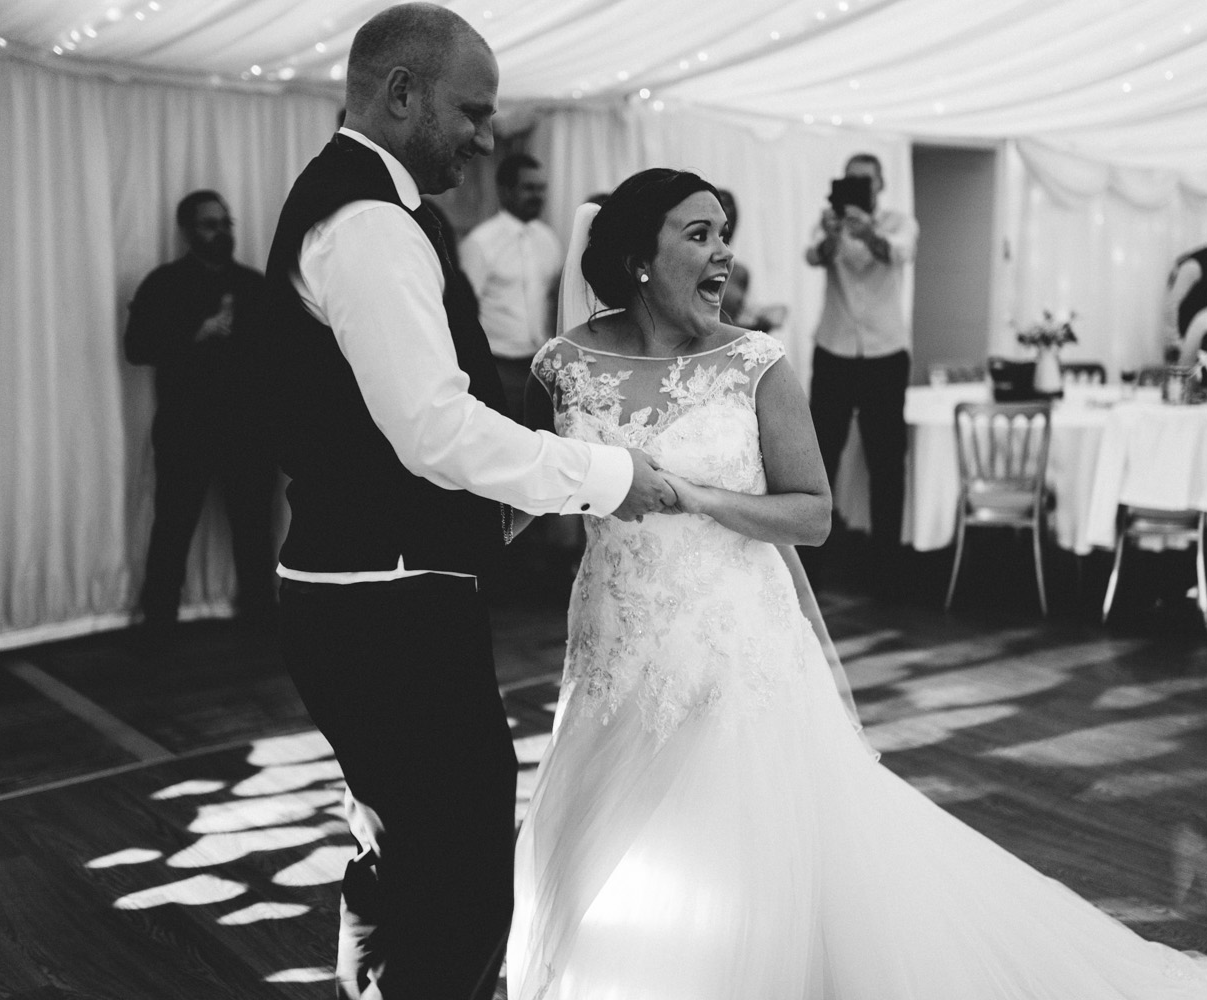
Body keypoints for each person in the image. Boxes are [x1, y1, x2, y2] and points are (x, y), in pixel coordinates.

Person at [506, 167, 1207, 1000]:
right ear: (635, 254)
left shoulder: (755, 363)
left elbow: (812, 513)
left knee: (737, 848)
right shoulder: (567, 363)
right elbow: (542, 484)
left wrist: (686, 494)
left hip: (730, 641)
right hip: (616, 637)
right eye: (698, 234)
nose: (724, 253)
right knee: (603, 838)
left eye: (724, 233)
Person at [261, 6, 674, 998]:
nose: (488, 137)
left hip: (373, 585)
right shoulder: (366, 223)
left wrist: (519, 496)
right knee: (464, 870)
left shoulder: (380, 208)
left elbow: (396, 432)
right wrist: (604, 479)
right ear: (400, 93)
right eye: (473, 111)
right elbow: (434, 433)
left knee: (404, 840)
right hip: (380, 603)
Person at [124, 190, 276, 634]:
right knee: (173, 528)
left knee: (253, 531)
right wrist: (196, 332)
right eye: (211, 224)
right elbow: (136, 348)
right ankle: (158, 625)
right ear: (188, 231)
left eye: (227, 222)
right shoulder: (164, 283)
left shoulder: (253, 285)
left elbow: (276, 353)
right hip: (186, 427)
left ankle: (262, 622)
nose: (223, 231)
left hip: (248, 429)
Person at [804, 152, 918, 590]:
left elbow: (896, 253)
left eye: (865, 181)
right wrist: (834, 232)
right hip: (834, 350)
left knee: (887, 461)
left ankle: (887, 571)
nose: (857, 188)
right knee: (820, 458)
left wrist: (865, 229)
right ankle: (813, 566)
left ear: (881, 184)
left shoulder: (898, 222)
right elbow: (814, 256)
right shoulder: (827, 221)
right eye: (850, 180)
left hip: (886, 354)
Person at [460, 151, 564, 423]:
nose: (537, 196)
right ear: (505, 191)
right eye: (529, 188)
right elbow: (463, 313)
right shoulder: (480, 243)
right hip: (498, 364)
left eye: (541, 188)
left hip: (541, 364)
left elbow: (554, 299)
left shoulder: (548, 239)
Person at [715, 188, 788, 332]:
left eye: (732, 213)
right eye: (723, 209)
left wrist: (761, 320)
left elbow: (739, 315)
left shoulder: (740, 272)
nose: (728, 216)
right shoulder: (695, 267)